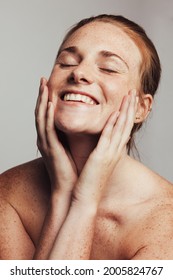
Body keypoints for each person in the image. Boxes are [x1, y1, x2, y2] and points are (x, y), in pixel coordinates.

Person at [0, 14, 173, 260]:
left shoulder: (165, 220)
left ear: (141, 108)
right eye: (67, 62)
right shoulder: (8, 194)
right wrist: (63, 197)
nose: (79, 72)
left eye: (109, 68)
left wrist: (83, 202)